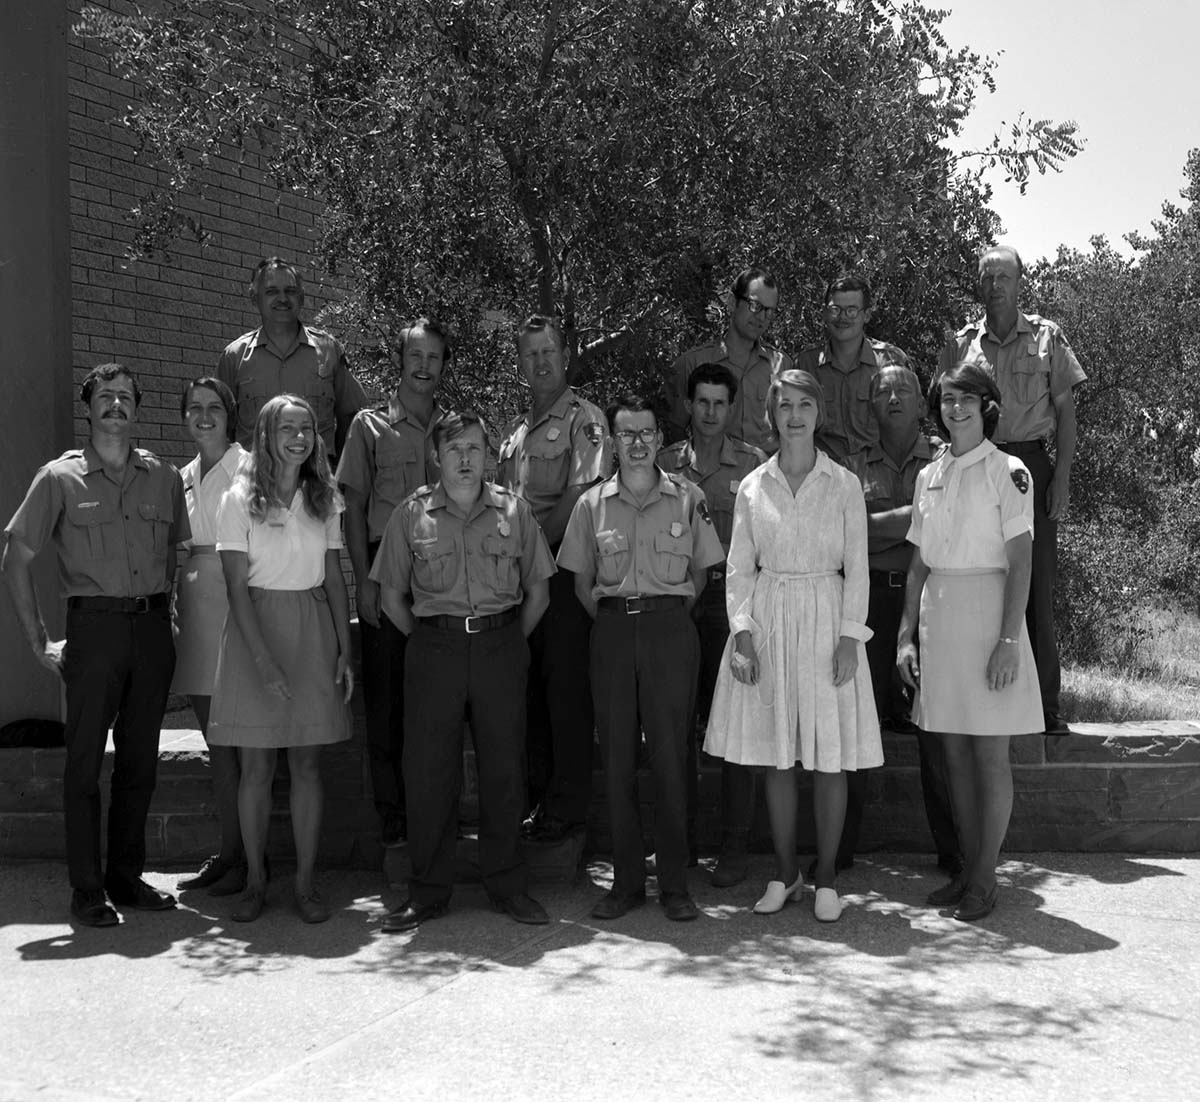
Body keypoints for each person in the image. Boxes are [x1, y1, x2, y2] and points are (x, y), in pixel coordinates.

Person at [3, 363, 188, 926]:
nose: (115, 406)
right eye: (105, 396)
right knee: (84, 765)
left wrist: (170, 614)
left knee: (140, 762)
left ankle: (125, 878)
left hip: (151, 631)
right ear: (89, 407)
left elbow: (176, 556)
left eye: (125, 398)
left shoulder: (163, 477)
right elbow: (17, 556)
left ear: (136, 409)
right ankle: (87, 889)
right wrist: (39, 640)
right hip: (93, 632)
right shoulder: (58, 479)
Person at [704, 369, 881, 924]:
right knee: (777, 757)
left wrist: (852, 636)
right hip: (772, 618)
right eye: (786, 406)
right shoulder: (754, 486)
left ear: (818, 413)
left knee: (830, 759)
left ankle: (826, 876)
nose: (796, 415)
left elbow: (859, 569)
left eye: (806, 404)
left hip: (828, 621)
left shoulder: (844, 484)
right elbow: (738, 567)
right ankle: (785, 872)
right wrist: (743, 636)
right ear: (773, 415)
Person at [371, 411, 555, 932]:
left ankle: (508, 885)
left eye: (474, 448)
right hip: (435, 650)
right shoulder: (411, 515)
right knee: (429, 774)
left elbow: (539, 590)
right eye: (455, 450)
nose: (466, 459)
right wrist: (433, 638)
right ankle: (428, 891)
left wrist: (506, 639)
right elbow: (390, 595)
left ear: (489, 454)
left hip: (501, 645)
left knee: (504, 771)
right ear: (436, 456)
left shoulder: (514, 513)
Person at [558, 394, 725, 923]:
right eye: (625, 434)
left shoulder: (687, 497)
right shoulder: (590, 505)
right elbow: (582, 584)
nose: (636, 444)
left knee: (674, 756)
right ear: (611, 440)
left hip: (670, 632)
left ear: (659, 439)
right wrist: (621, 615)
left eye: (646, 433)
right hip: (611, 631)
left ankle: (675, 883)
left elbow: (702, 573)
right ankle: (627, 881)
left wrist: (663, 611)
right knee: (619, 758)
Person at [897, 361, 1044, 922]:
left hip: (990, 615)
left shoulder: (1009, 471)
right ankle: (965, 869)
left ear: (985, 405)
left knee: (989, 755)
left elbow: (1021, 561)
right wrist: (906, 636)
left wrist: (1010, 638)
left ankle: (986, 877)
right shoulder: (928, 474)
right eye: (947, 400)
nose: (955, 409)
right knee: (952, 753)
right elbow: (918, 561)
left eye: (966, 399)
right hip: (942, 616)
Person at [207, 394, 355, 924]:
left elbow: (336, 577)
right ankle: (254, 881)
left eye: (307, 429)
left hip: (313, 630)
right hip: (254, 631)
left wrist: (343, 648)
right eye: (287, 428)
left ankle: (307, 884)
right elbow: (235, 589)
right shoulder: (237, 498)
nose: (299, 438)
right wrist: (263, 662)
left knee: (308, 763)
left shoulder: (325, 496)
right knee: (256, 766)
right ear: (266, 434)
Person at [938, 245, 1086, 735]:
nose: (995, 284)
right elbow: (946, 405)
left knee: (1036, 585)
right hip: (975, 461)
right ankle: (967, 696)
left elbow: (1065, 412)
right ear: (978, 283)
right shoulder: (961, 343)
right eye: (987, 276)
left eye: (1004, 275)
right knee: (974, 575)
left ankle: (1045, 707)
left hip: (1031, 465)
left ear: (1021, 281)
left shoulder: (1047, 337)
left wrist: (1061, 477)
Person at [497, 314, 611, 844]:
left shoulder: (584, 420)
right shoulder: (515, 435)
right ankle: (538, 803)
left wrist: (528, 549)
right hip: (519, 584)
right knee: (530, 695)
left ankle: (567, 808)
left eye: (549, 351)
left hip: (562, 579)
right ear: (520, 363)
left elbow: (582, 497)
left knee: (565, 694)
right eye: (530, 354)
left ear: (564, 355)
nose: (541, 362)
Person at [336, 318, 448, 849]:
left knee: (439, 699)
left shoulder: (455, 430)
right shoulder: (368, 425)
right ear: (399, 361)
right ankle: (394, 816)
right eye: (415, 356)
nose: (423, 367)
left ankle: (436, 810)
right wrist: (364, 581)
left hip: (442, 573)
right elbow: (352, 507)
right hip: (386, 567)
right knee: (386, 704)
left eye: (433, 358)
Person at [845, 366, 959, 874]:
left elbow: (944, 528)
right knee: (854, 721)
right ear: (870, 405)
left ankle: (954, 851)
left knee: (934, 730)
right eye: (882, 391)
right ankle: (840, 850)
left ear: (920, 402)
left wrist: (880, 527)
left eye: (903, 390)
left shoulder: (946, 459)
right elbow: (846, 534)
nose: (892, 397)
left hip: (928, 600)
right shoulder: (851, 465)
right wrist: (913, 520)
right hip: (868, 604)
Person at [657, 363, 766, 886]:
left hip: (731, 604)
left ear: (732, 407)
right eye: (701, 401)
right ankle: (681, 843)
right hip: (676, 604)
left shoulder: (752, 466)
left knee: (734, 730)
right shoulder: (659, 464)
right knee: (677, 729)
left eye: (720, 403)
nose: (710, 412)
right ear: (688, 404)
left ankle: (734, 847)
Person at [172, 377, 250, 896]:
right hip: (196, 612)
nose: (205, 416)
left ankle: (250, 859)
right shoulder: (180, 477)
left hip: (238, 602)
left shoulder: (250, 467)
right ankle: (230, 852)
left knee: (244, 742)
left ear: (230, 414)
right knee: (216, 743)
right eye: (195, 408)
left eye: (214, 408)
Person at [217, 256, 367, 459]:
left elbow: (352, 419)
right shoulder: (234, 358)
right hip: (254, 483)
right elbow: (220, 430)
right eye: (271, 292)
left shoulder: (329, 351)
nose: (282, 299)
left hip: (315, 484)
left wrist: (337, 475)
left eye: (290, 291)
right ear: (255, 298)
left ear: (302, 298)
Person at [665, 266, 793, 452]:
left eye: (770, 311)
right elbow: (674, 431)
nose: (762, 317)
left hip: (765, 476)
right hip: (711, 476)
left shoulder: (781, 365)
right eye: (755, 306)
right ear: (732, 302)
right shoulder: (692, 363)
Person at [796, 274, 911, 467]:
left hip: (879, 474)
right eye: (835, 310)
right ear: (825, 313)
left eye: (851, 311)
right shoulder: (806, 365)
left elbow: (908, 425)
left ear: (866, 315)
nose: (842, 318)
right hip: (823, 474)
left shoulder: (891, 361)